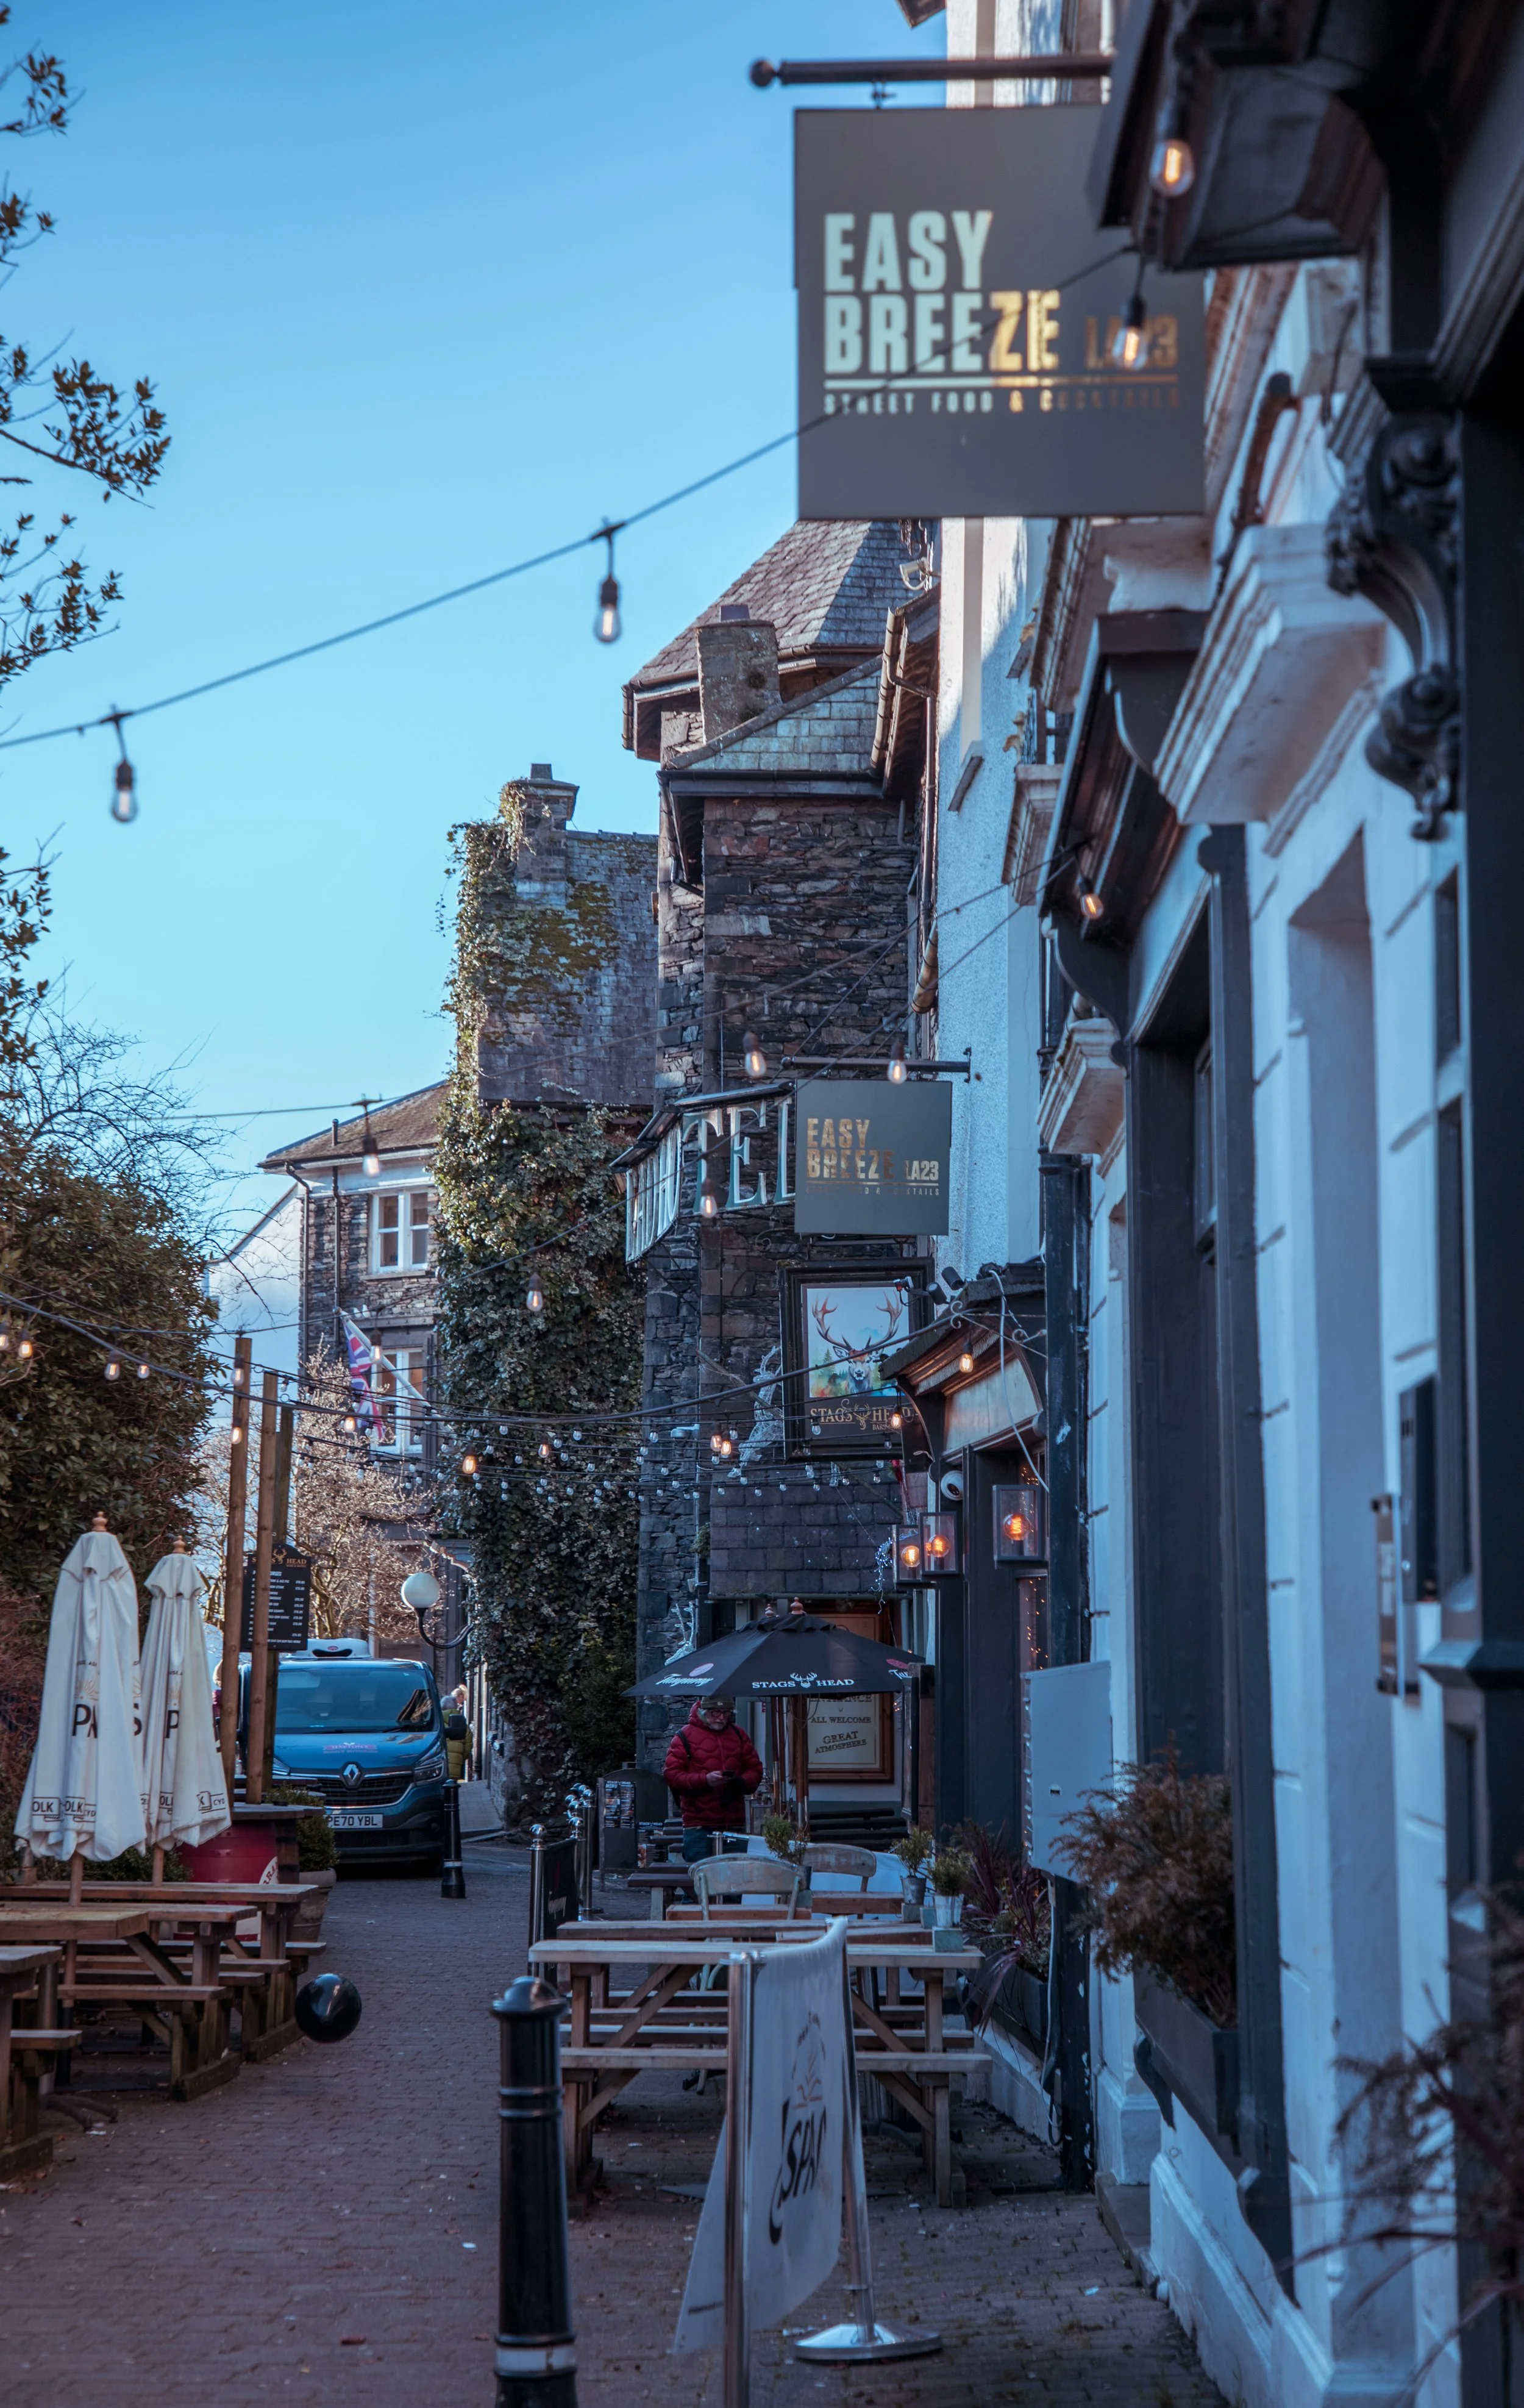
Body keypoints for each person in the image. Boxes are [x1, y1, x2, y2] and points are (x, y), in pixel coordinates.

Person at [663, 1695, 763, 1863]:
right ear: (704, 1711)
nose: (722, 1718)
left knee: (735, 1882)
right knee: (701, 1882)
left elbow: (755, 1769)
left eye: (726, 1713)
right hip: (698, 1826)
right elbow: (672, 1775)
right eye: (716, 1712)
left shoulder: (739, 1735)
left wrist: (741, 1783)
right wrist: (705, 1780)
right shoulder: (684, 1737)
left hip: (734, 1824)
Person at [441, 1683, 472, 1783]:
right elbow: (468, 1747)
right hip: (455, 1768)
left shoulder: (436, 1724)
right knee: (452, 1791)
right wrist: (461, 1758)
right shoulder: (462, 1723)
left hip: (438, 1767)